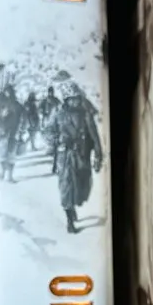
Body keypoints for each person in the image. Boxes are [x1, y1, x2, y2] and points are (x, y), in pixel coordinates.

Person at [48, 83, 103, 233]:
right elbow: (48, 131)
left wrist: (98, 156)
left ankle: (72, 207)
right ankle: (69, 220)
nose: (75, 101)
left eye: (77, 98)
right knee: (66, 187)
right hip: (64, 157)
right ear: (66, 100)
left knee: (82, 187)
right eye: (71, 99)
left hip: (81, 157)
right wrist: (57, 140)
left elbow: (95, 137)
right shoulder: (58, 114)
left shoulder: (86, 115)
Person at [0, 84, 22, 182]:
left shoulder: (17, 105)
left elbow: (22, 116)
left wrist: (21, 128)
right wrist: (0, 115)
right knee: (2, 154)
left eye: (10, 92)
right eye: (7, 92)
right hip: (2, 132)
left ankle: (9, 176)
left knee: (11, 155)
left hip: (13, 132)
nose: (9, 94)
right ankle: (2, 172)